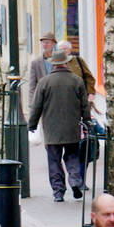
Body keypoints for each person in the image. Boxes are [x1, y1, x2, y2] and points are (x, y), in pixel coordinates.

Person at [28, 45, 90, 201]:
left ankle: (58, 192)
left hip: (51, 128)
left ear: (53, 64)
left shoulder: (44, 82)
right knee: (72, 157)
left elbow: (37, 106)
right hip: (72, 127)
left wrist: (32, 125)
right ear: (66, 63)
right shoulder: (77, 81)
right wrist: (87, 123)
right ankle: (75, 181)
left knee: (54, 160)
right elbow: (84, 106)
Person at [27, 30, 56, 108]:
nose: (45, 45)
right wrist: (32, 103)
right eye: (43, 42)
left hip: (57, 98)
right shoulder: (36, 63)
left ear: (53, 44)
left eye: (47, 42)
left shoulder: (60, 61)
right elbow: (32, 84)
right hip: (42, 99)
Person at [64, 34, 96, 100]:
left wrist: (91, 93)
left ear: (70, 50)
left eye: (65, 49)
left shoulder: (78, 60)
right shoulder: (55, 63)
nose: (62, 51)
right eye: (60, 49)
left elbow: (89, 77)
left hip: (80, 96)